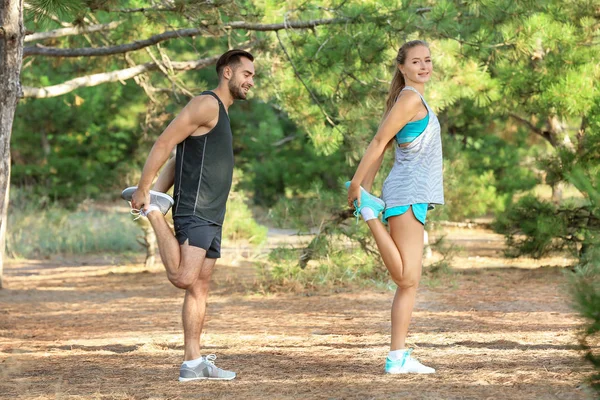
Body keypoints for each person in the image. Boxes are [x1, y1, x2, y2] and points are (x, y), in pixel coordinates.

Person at [121, 49, 255, 382]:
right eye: (247, 74)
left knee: (200, 287)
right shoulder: (206, 104)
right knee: (184, 278)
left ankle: (193, 363)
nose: (251, 80)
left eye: (252, 75)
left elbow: (181, 158)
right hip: (195, 208)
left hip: (213, 214)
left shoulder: (222, 112)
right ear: (227, 72)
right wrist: (144, 192)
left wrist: (160, 187)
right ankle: (153, 213)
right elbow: (166, 141)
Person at [346, 40, 443, 374]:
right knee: (406, 278)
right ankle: (370, 214)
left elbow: (385, 144)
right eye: (416, 61)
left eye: (428, 60)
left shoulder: (413, 99)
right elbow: (377, 141)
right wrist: (359, 187)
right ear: (402, 67)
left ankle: (398, 357)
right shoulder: (410, 98)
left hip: (412, 193)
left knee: (409, 282)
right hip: (407, 193)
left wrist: (366, 186)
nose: (424, 66)